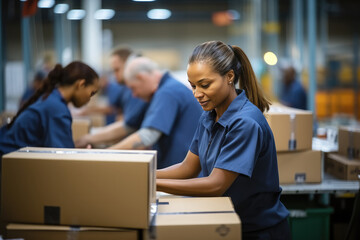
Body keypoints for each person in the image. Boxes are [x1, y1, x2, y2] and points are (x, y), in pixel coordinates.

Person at [156, 41, 290, 239]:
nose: (197, 94)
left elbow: (215, 185)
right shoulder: (209, 116)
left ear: (229, 77)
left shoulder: (245, 123)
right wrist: (145, 173)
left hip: (258, 230)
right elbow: (188, 167)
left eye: (205, 85)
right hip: (226, 221)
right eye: (193, 86)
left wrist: (151, 182)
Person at [108, 56, 203, 169]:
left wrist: (104, 155)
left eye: (133, 88)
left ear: (141, 77)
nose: (134, 95)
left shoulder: (167, 92)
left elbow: (147, 137)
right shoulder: (166, 88)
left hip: (183, 173)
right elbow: (129, 126)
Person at [0, 61, 100, 158]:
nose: (89, 99)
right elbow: (65, 161)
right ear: (80, 84)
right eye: (91, 93)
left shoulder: (51, 99)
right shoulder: (57, 109)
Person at [75, 48, 148, 148]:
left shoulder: (136, 92)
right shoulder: (125, 90)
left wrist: (101, 146)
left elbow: (127, 126)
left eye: (117, 70)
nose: (114, 75)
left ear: (129, 66)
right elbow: (122, 118)